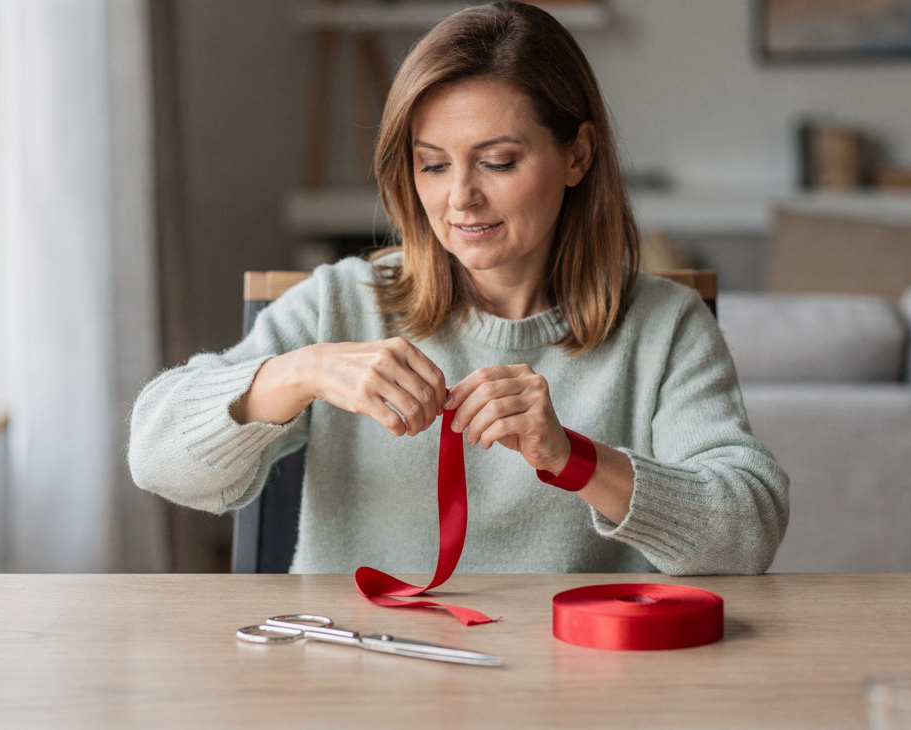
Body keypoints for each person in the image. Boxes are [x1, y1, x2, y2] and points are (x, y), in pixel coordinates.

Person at [129, 2, 788, 576]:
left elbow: (748, 532)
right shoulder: (343, 305)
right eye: (433, 165)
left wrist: (577, 459)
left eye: (499, 162)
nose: (461, 198)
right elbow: (154, 458)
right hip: (358, 684)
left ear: (578, 156)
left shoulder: (662, 326)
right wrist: (299, 372)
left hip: (577, 689)